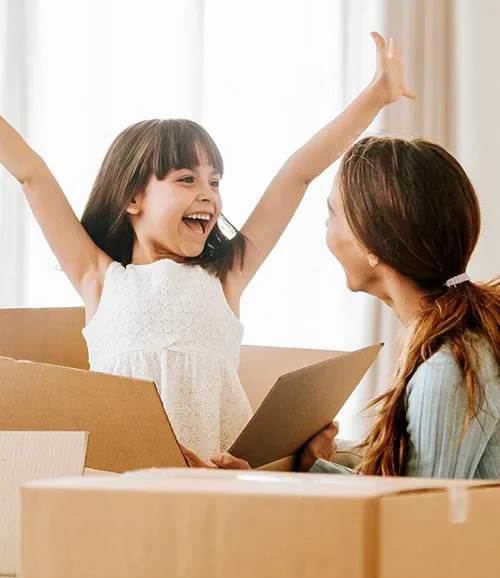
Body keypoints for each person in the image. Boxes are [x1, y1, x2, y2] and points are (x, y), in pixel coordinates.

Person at [0, 33, 413, 460]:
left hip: (217, 482)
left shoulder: (225, 276)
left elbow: (297, 175)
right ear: (132, 199)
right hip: (125, 483)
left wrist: (376, 96)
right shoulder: (100, 279)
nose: (208, 194)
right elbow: (32, 173)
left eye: (214, 182)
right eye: (186, 179)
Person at [186, 137, 500, 479]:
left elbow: (415, 517)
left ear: (371, 244)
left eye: (332, 214)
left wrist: (254, 482)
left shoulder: (447, 370)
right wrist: (315, 465)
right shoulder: (463, 342)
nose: (326, 229)